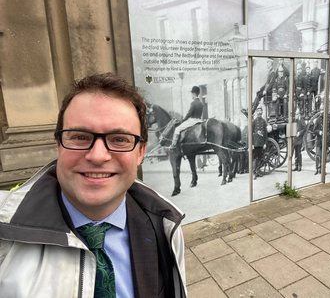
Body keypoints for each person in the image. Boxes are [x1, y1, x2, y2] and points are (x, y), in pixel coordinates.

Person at [0, 73, 187, 298]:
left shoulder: (165, 226)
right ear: (59, 145)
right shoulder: (4, 236)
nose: (98, 156)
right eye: (79, 137)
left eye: (119, 139)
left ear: (140, 153)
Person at [170, 85, 203, 150]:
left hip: (193, 120)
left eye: (191, 94)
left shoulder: (193, 103)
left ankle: (173, 145)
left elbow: (189, 113)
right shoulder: (201, 103)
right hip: (199, 120)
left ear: (194, 94)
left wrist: (183, 120)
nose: (191, 95)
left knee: (177, 129)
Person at [252, 105, 268, 179]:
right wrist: (252, 143)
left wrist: (265, 143)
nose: (259, 112)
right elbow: (251, 133)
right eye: (258, 111)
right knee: (255, 158)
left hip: (261, 142)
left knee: (259, 157)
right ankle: (254, 172)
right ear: (256, 112)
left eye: (260, 111)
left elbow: (265, 133)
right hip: (255, 142)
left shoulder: (264, 122)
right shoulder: (254, 122)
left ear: (262, 112)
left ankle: (258, 171)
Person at [313, 102, 324, 175]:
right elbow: (314, 130)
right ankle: (317, 169)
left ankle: (322, 170)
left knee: (323, 156)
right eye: (320, 110)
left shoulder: (327, 119)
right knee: (317, 155)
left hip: (324, 140)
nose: (321, 111)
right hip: (318, 140)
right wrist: (319, 132)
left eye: (322, 109)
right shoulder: (317, 120)